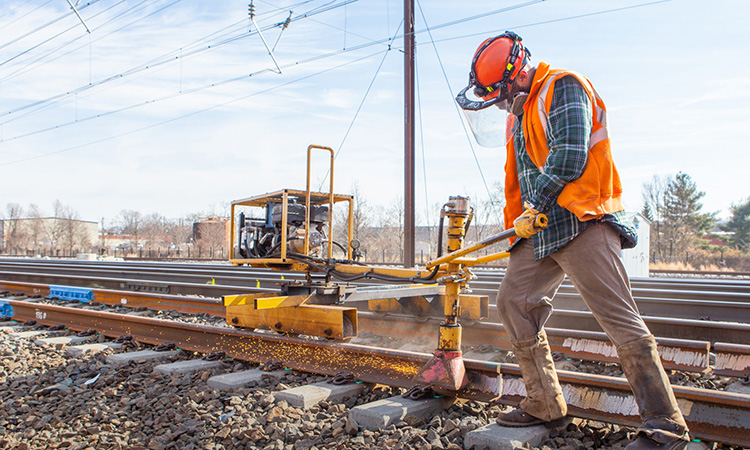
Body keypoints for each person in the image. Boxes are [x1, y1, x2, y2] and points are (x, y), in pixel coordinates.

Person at [455, 31, 691, 450]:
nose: (496, 101)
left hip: (584, 219)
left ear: (516, 75)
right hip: (543, 225)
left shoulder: (563, 86)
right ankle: (544, 402)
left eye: (499, 92)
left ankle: (666, 424)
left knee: (617, 319)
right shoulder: (522, 113)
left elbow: (570, 155)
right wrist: (523, 219)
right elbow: (525, 176)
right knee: (513, 301)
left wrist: (535, 206)